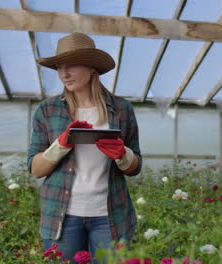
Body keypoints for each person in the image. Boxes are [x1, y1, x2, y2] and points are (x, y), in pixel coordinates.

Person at [27, 32, 142, 264]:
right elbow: (36, 170)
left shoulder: (121, 109)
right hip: (62, 216)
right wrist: (61, 144)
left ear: (92, 68)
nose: (64, 74)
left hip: (110, 215)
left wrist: (122, 154)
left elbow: (135, 166)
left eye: (71, 66)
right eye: (59, 67)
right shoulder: (47, 111)